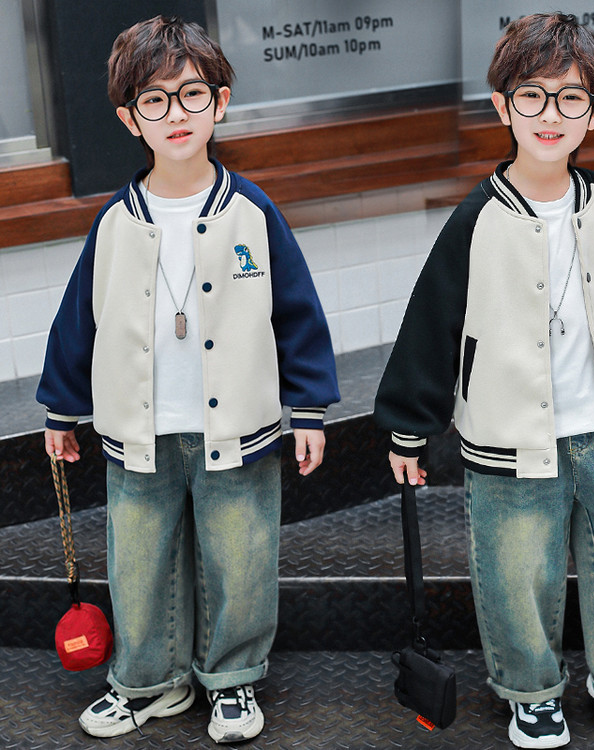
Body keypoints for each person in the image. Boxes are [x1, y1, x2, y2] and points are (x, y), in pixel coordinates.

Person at [374, 12, 594, 749]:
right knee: (514, 573)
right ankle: (530, 692)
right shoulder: (476, 220)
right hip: (511, 438)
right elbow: (432, 323)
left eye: (570, 98)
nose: (549, 114)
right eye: (531, 95)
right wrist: (408, 425)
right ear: (503, 107)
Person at [37, 15, 339, 744]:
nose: (176, 113)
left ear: (220, 102)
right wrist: (60, 411)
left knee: (241, 560)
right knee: (140, 565)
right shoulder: (116, 221)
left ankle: (232, 681)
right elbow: (80, 320)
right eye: (155, 99)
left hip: (237, 428)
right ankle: (148, 682)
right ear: (129, 118)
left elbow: (297, 315)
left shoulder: (252, 212)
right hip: (138, 434)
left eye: (192, 94)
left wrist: (308, 410)